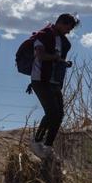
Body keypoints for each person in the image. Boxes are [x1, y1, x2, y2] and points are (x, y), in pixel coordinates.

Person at [28, 14, 78, 159]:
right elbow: (40, 55)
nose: (68, 32)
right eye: (68, 28)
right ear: (61, 23)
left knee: (59, 114)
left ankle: (48, 147)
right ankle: (36, 141)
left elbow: (57, 58)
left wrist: (62, 62)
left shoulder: (63, 41)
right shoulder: (44, 35)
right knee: (51, 113)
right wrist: (56, 58)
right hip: (40, 80)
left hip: (54, 81)